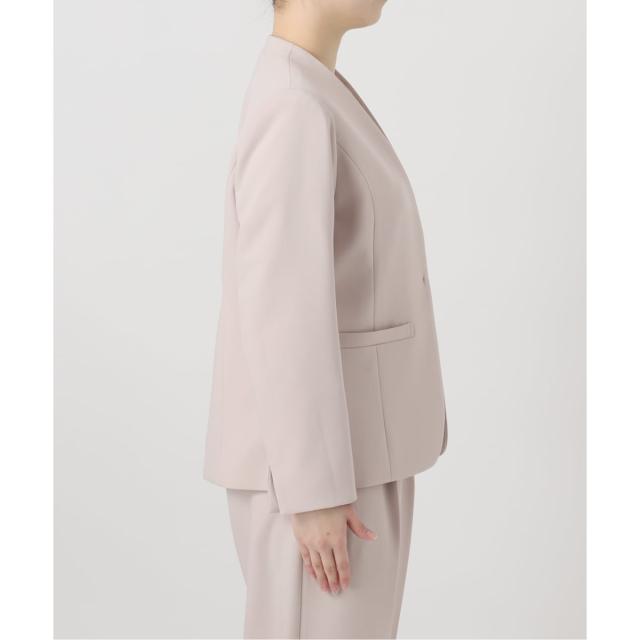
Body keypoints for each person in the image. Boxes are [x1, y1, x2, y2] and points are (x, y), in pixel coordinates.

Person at [203, 1, 448, 637]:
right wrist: (312, 493)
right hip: (322, 475)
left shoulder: (313, 85)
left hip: (352, 457)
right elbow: (282, 308)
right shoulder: (294, 102)